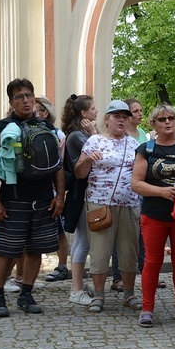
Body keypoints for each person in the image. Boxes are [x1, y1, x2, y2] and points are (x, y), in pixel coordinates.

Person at [0, 78, 64, 317]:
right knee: (7, 251)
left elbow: (58, 166)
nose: (26, 100)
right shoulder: (0, 128)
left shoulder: (47, 128)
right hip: (13, 199)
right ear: (11, 102)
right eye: (20, 96)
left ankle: (26, 294)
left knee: (36, 249)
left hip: (43, 199)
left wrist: (59, 195)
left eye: (29, 95)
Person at [131, 104, 175, 327]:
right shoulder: (146, 150)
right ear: (153, 125)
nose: (167, 122)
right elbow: (136, 184)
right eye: (162, 120)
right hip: (154, 214)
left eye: (171, 118)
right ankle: (147, 308)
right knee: (152, 261)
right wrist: (162, 191)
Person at [74, 100, 141, 314]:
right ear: (107, 119)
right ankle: (99, 295)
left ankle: (129, 294)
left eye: (124, 116)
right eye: (116, 116)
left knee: (129, 250)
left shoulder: (134, 144)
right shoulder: (94, 141)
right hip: (99, 204)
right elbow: (79, 173)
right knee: (100, 250)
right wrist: (86, 161)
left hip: (129, 204)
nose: (121, 120)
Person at [60, 94, 98, 305]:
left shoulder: (80, 134)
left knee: (82, 241)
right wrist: (94, 133)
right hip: (81, 194)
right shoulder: (78, 136)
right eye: (93, 108)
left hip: (82, 194)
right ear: (84, 114)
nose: (97, 112)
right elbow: (98, 153)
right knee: (84, 241)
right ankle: (76, 290)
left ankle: (78, 286)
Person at [34, 96, 71, 284]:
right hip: (34, 190)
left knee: (58, 230)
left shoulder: (58, 135)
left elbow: (60, 164)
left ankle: (62, 266)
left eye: (36, 110)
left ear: (44, 113)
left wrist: (59, 193)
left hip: (51, 190)